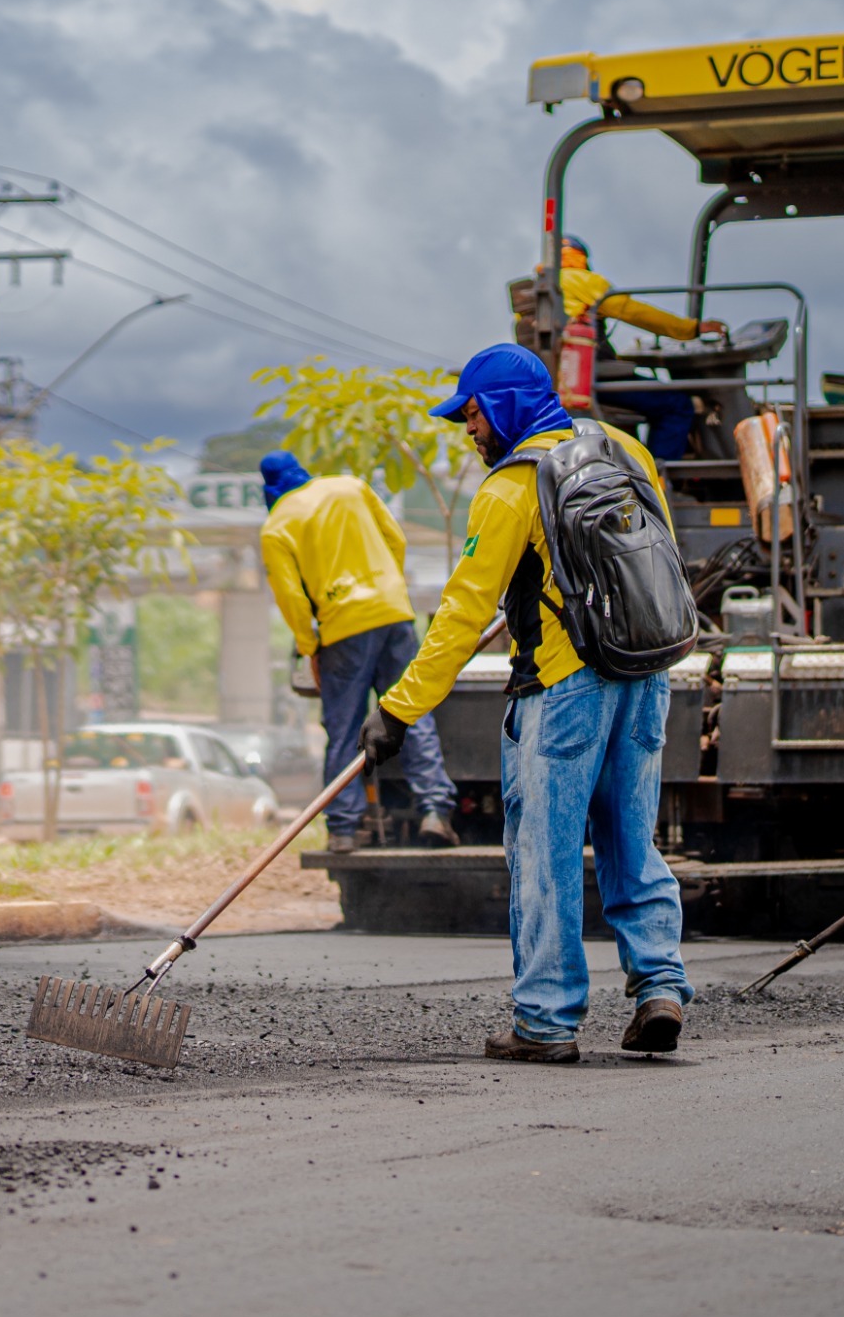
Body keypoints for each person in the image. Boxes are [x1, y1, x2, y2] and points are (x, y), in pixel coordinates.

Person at [364, 344, 690, 1061]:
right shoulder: (625, 448)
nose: (469, 429)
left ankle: (545, 1021)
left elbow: (458, 615)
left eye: (474, 414)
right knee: (633, 838)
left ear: (506, 407)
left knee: (544, 854)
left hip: (564, 688)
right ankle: (659, 987)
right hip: (646, 674)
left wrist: (398, 709)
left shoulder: (513, 487)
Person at [257, 451, 458, 853]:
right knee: (409, 711)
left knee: (345, 729)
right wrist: (389, 589)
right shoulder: (351, 487)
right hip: (393, 613)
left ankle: (344, 828)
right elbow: (395, 540)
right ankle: (435, 810)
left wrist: (309, 647)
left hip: (341, 629)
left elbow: (291, 597)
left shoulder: (276, 526)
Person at [554, 234, 725, 461]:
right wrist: (692, 329)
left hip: (566, 380)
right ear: (582, 259)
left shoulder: (542, 287)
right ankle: (657, 479)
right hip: (594, 378)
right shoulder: (582, 281)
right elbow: (635, 313)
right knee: (677, 405)